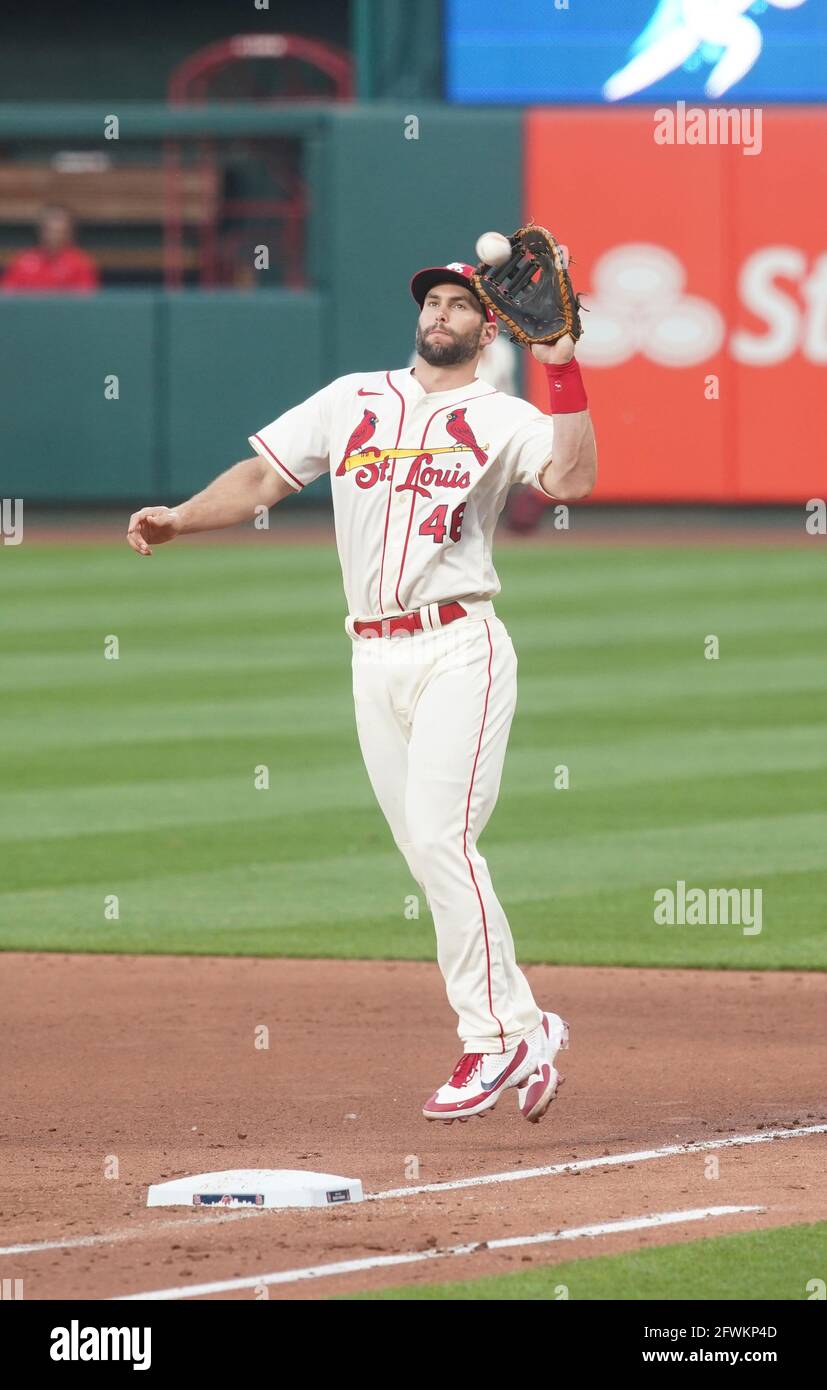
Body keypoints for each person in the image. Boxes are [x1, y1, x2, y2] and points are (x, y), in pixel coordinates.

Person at [126, 258, 597, 1125]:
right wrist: (181, 517)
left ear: (488, 331)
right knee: (428, 853)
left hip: (460, 646)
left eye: (462, 304)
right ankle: (525, 1027)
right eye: (434, 300)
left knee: (440, 836)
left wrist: (562, 363)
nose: (443, 312)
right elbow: (264, 477)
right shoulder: (352, 398)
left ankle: (493, 1038)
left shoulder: (502, 415)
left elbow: (569, 480)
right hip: (370, 659)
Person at [2, 205, 100, 293]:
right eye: (49, 230)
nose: (54, 236)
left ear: (70, 232)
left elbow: (86, 302)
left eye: (59, 231)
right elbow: (7, 296)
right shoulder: (22, 261)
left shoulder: (81, 263)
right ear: (40, 231)